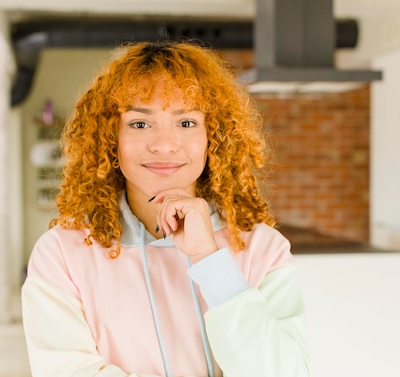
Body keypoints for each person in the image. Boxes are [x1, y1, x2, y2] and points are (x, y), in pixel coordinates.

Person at [22, 40, 311, 377]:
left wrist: (210, 259)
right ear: (110, 138)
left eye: (186, 123)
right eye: (140, 124)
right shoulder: (61, 255)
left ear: (212, 136)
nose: (164, 145)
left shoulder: (263, 249)